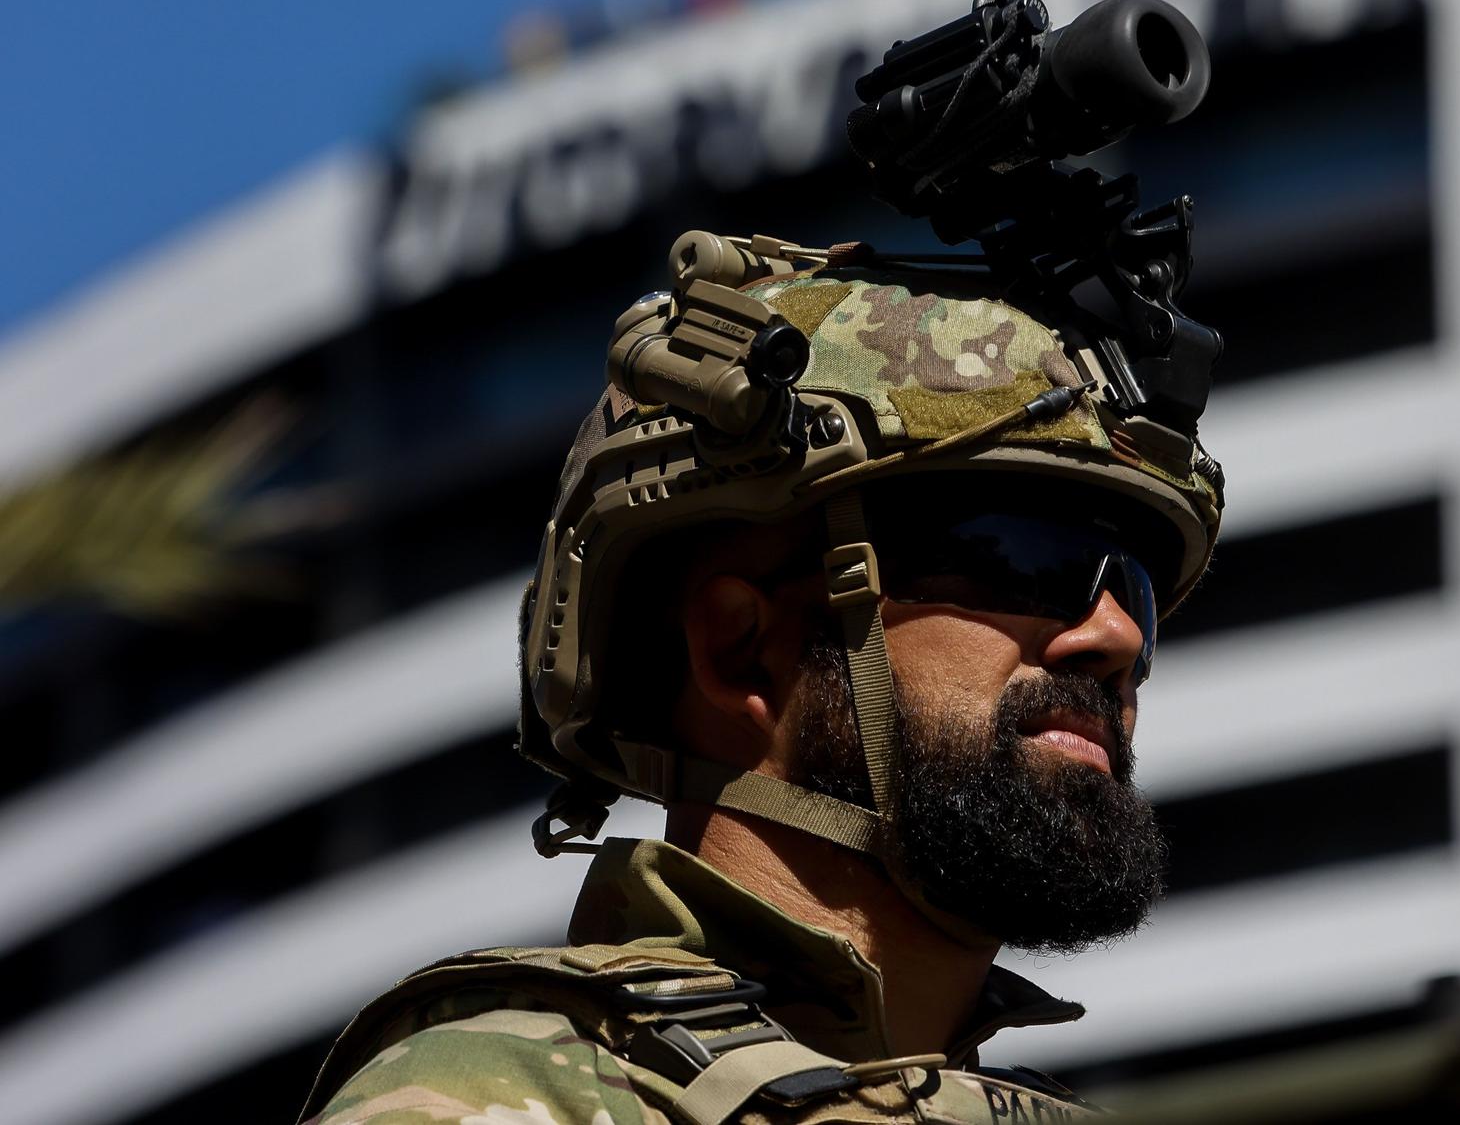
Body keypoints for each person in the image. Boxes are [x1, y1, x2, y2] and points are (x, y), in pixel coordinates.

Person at [298, 236, 1224, 1124]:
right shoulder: (514, 1100)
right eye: (1018, 558)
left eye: (1133, 590)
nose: (1110, 633)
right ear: (741, 647)